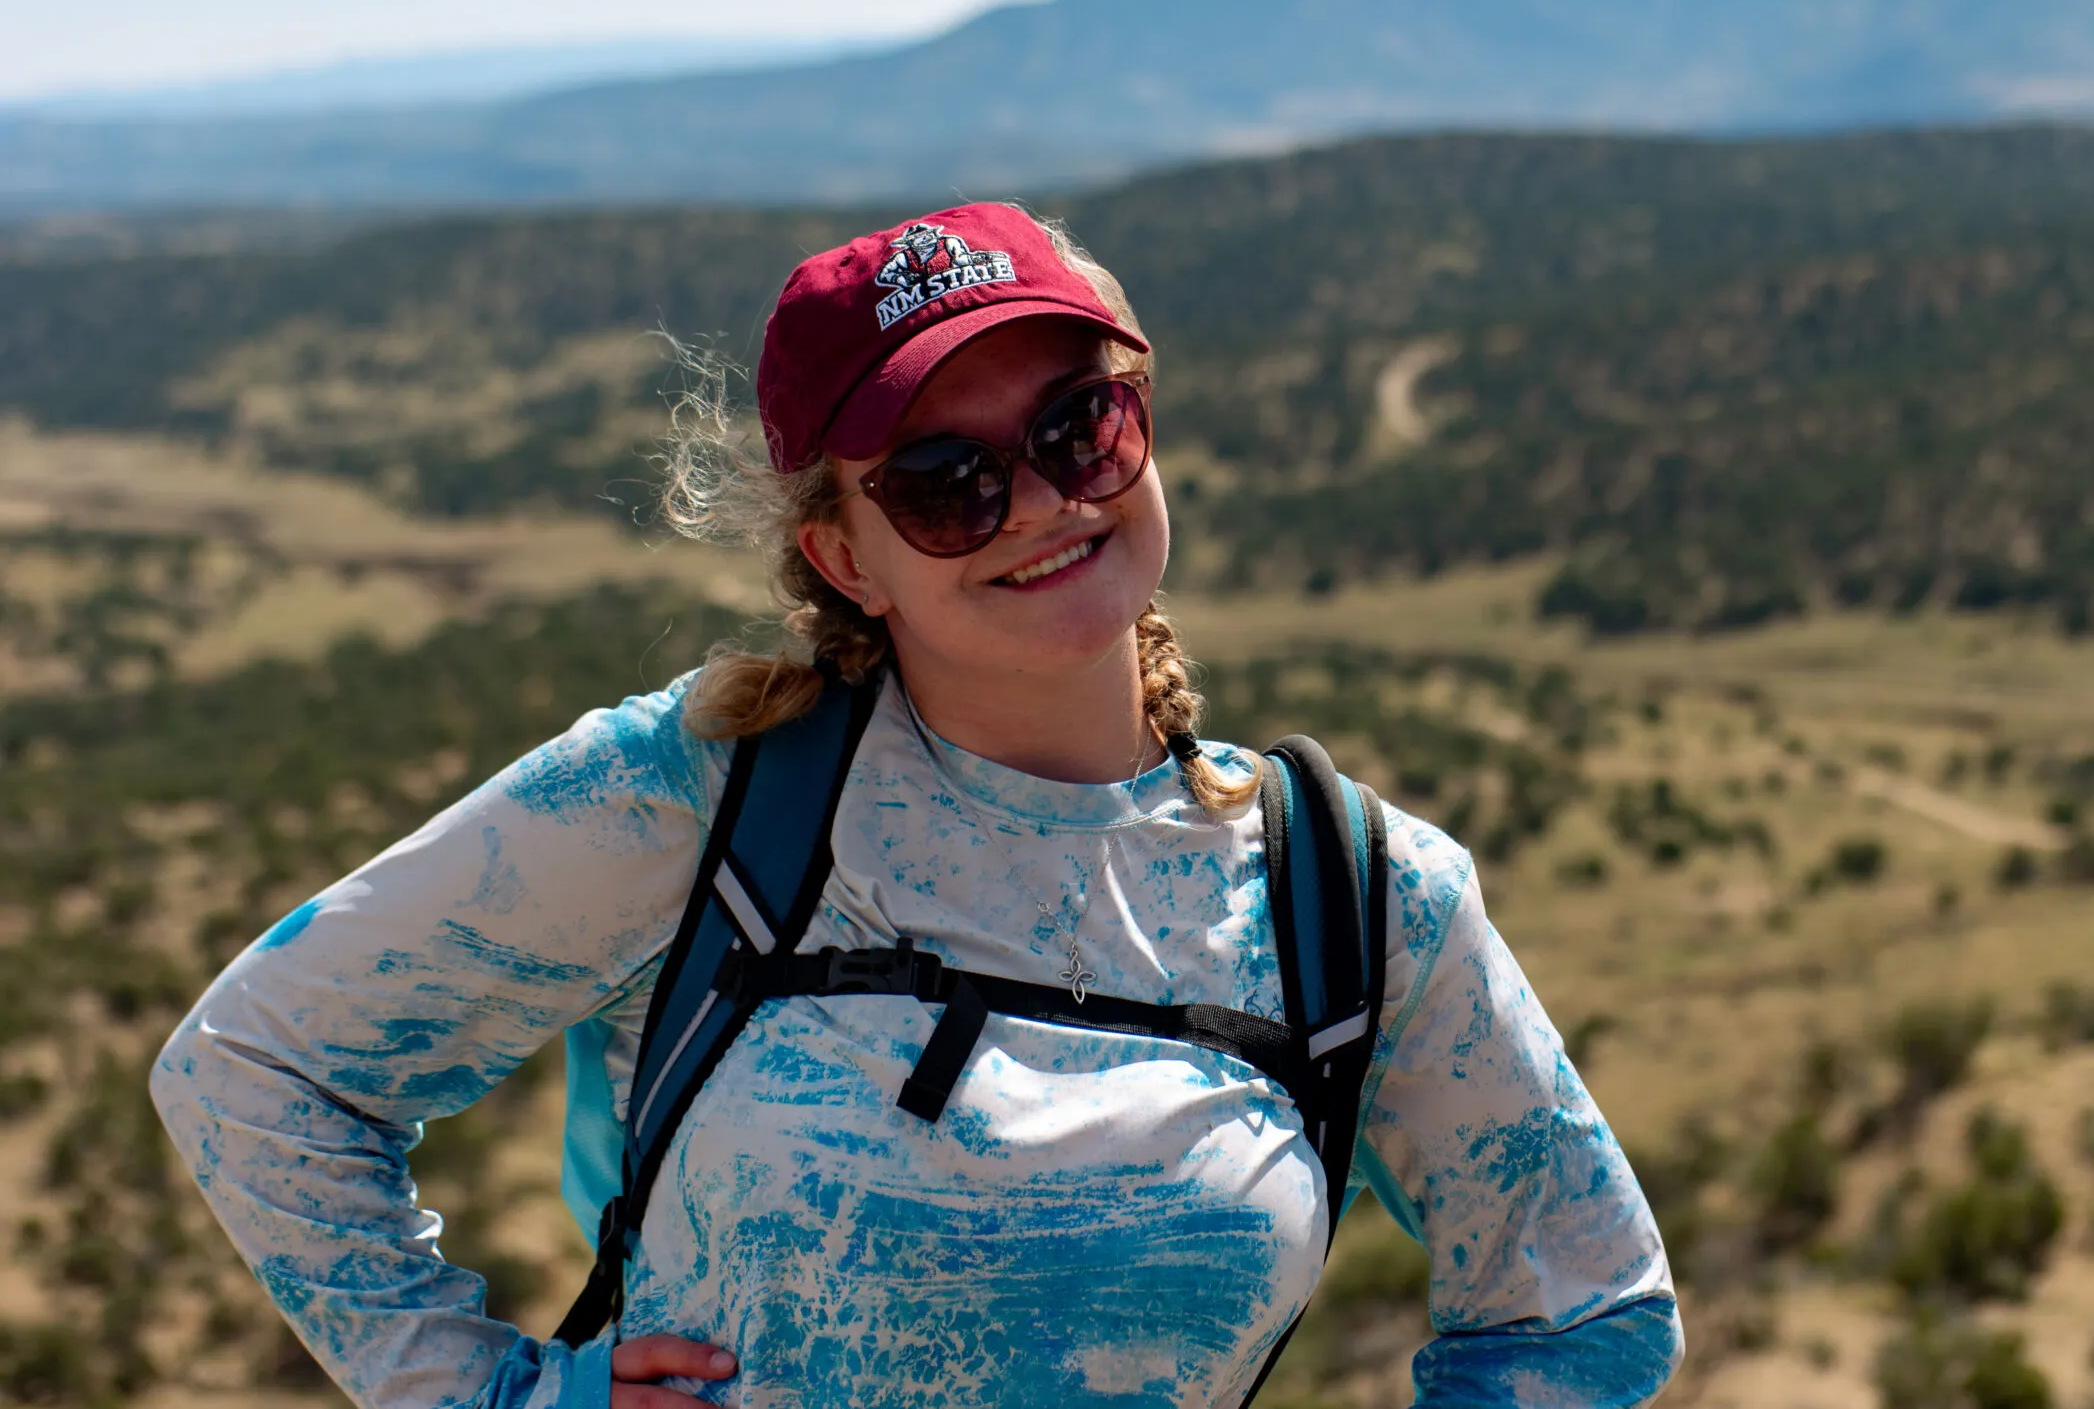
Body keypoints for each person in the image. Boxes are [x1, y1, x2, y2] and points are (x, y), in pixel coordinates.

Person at [152, 202, 1682, 1409]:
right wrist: (500, 1394)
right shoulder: (704, 795)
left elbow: (1586, 1304)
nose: (1046, 500)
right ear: (842, 557)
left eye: (1081, 426)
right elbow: (254, 1066)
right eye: (946, 482)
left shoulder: (1359, 897)